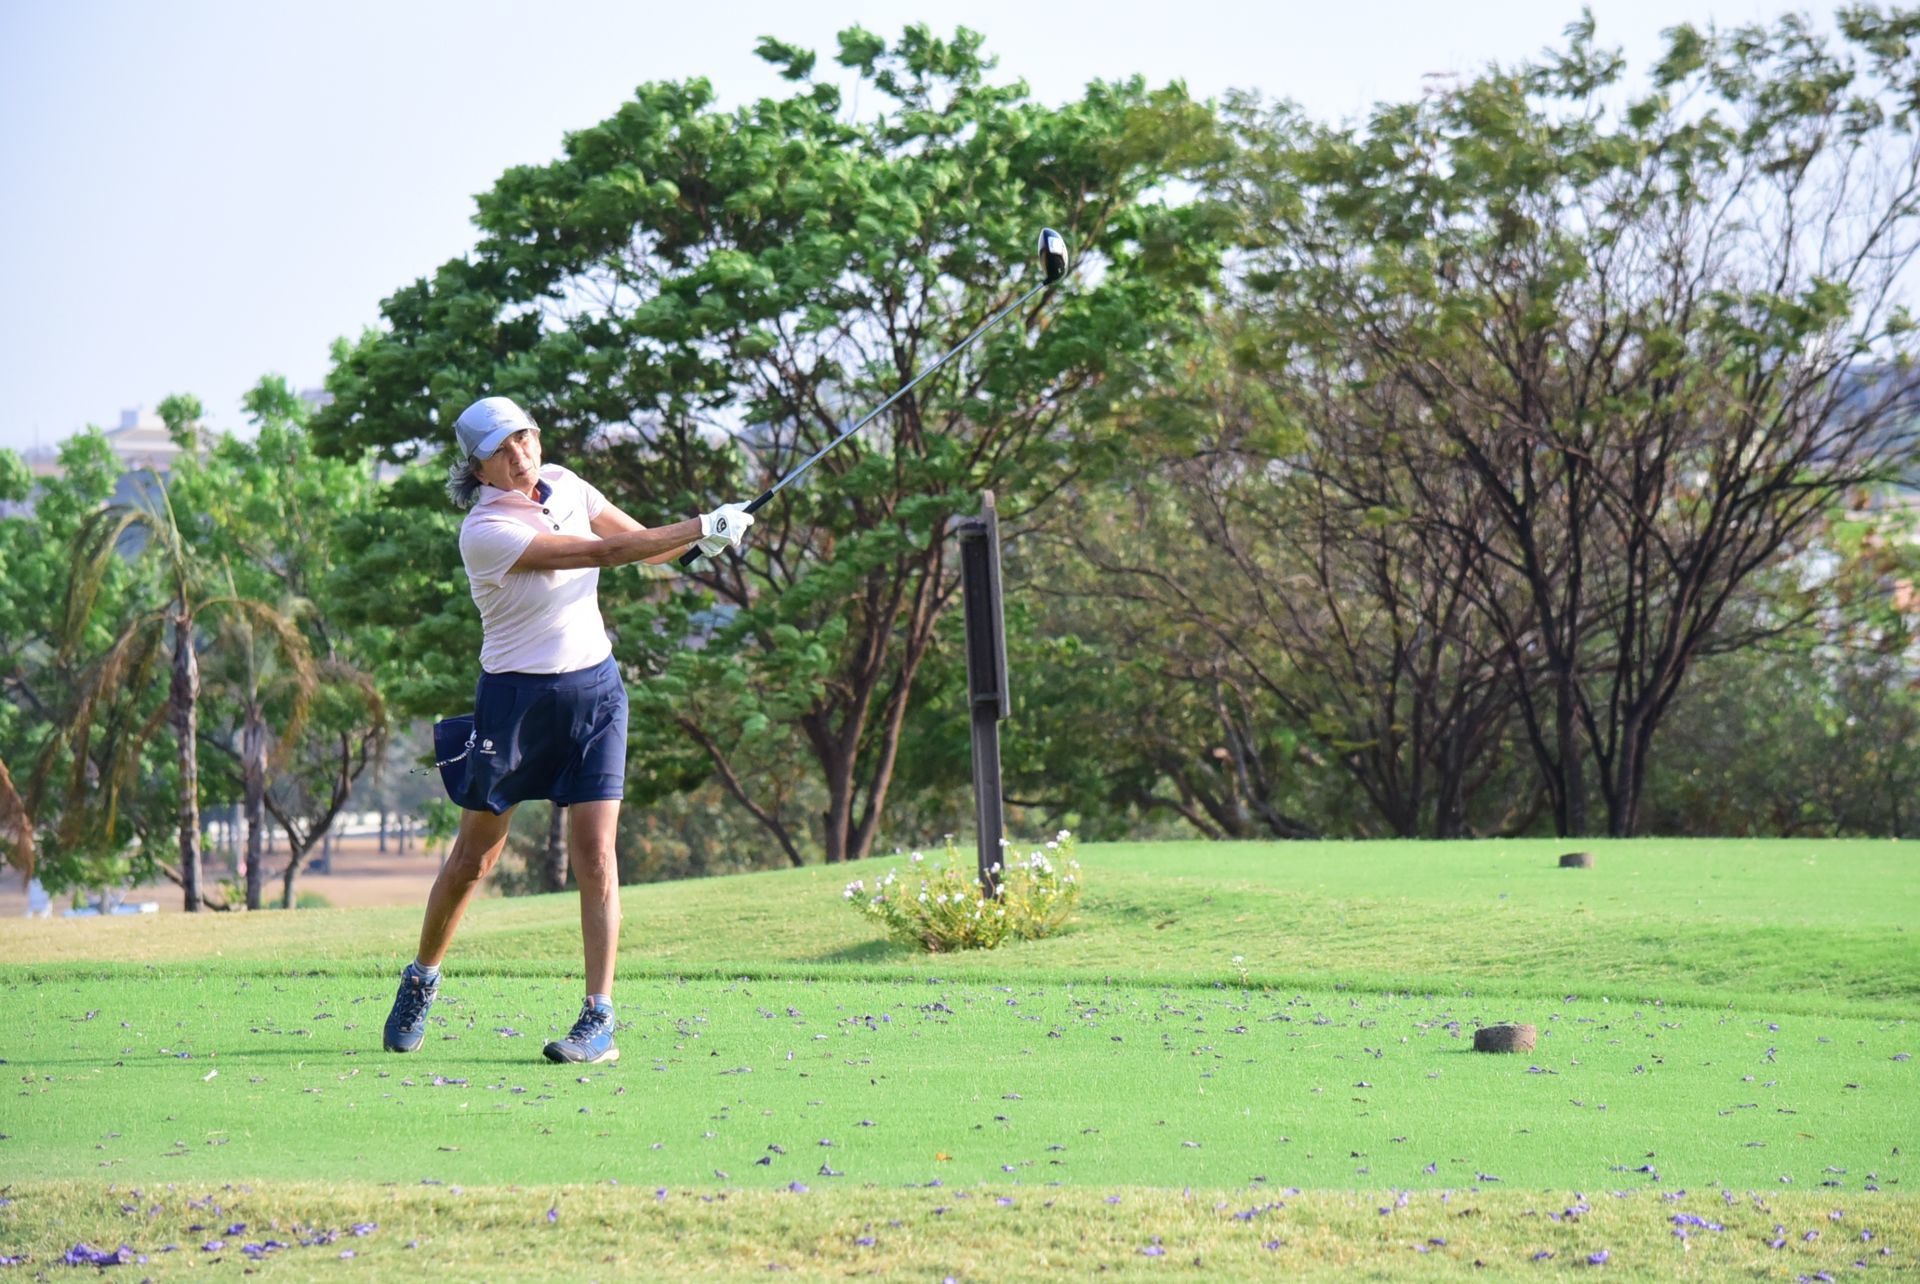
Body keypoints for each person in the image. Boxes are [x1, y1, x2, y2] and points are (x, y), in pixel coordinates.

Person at [382, 395, 751, 1064]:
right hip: (516, 702)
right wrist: (703, 518)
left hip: (595, 691)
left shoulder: (572, 486)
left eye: (523, 437)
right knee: (475, 859)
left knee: (597, 854)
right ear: (480, 468)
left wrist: (703, 543)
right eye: (500, 449)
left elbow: (648, 551)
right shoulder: (486, 531)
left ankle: (598, 1017)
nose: (518, 454)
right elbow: (605, 553)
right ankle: (422, 977)